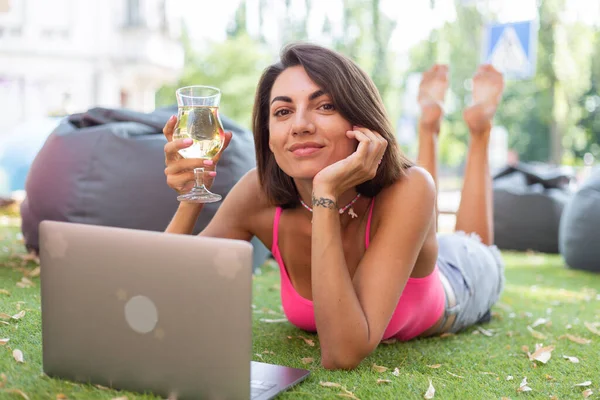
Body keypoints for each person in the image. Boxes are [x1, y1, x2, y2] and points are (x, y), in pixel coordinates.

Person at [162, 43, 505, 370]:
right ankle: (429, 124)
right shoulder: (259, 191)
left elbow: (342, 353)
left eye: (324, 106)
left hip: (459, 281)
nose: (300, 125)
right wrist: (193, 192)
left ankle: (478, 133)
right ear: (267, 134)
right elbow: (166, 291)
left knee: (474, 243)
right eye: (282, 111)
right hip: (408, 246)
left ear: (361, 120)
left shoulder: (410, 187)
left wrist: (324, 193)